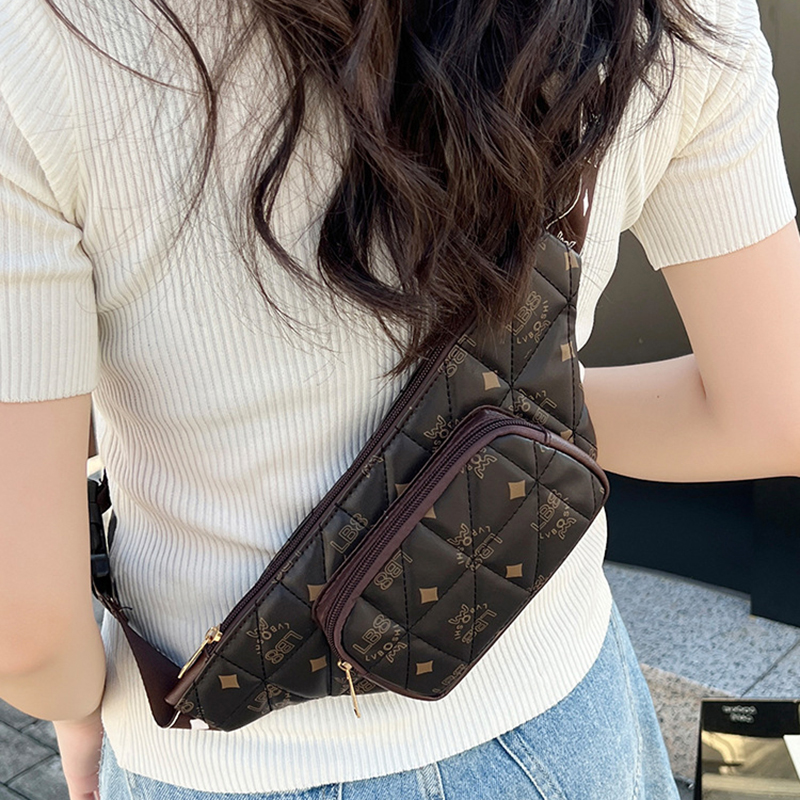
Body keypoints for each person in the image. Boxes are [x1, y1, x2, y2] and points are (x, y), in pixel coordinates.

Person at [0, 0, 798, 796]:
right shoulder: (676, 14)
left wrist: (79, 709)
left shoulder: (40, 38)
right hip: (568, 728)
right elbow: (772, 412)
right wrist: (516, 421)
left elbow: (27, 634)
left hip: (222, 754)